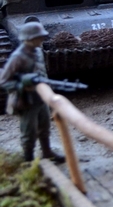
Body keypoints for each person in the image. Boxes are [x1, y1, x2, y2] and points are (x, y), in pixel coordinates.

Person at [0, 22, 65, 164]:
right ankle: (28, 160)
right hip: (26, 100)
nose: (42, 39)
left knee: (45, 127)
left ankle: (47, 152)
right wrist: (22, 85)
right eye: (38, 37)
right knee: (29, 132)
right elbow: (3, 81)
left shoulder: (38, 52)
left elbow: (42, 73)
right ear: (29, 39)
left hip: (40, 98)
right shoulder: (18, 57)